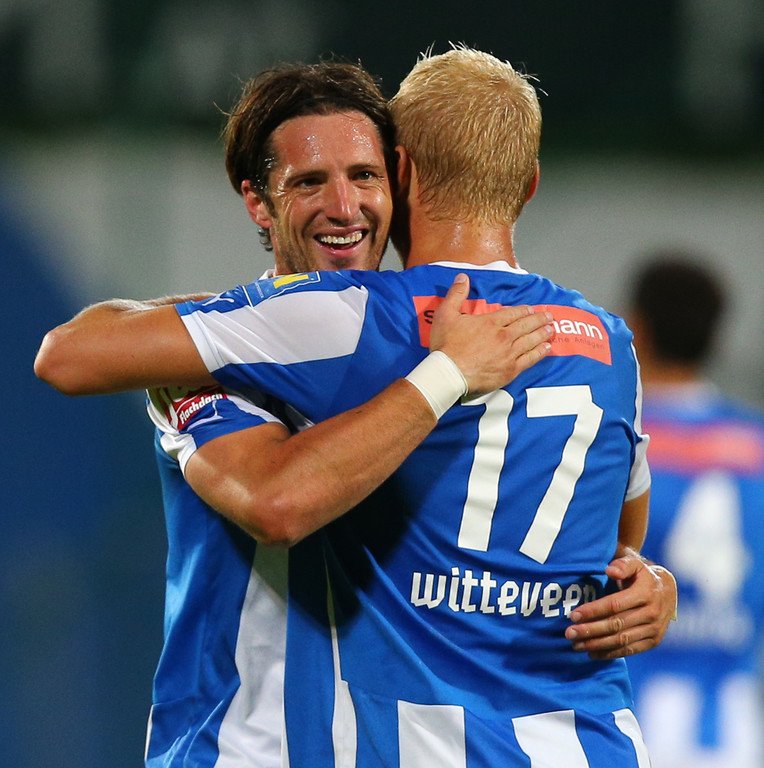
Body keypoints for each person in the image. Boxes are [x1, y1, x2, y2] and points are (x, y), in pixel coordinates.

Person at [35, 47, 676, 765]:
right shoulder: (605, 342)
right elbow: (269, 497)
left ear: (399, 177)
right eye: (310, 181)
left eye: (363, 176)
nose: (344, 208)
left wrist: (650, 583)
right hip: (241, 747)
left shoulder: (378, 322)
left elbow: (617, 549)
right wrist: (437, 371)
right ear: (258, 200)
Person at [623, 254, 764, 768]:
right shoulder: (756, 442)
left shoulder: (619, 438)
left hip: (629, 719)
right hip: (733, 730)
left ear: (637, 327)